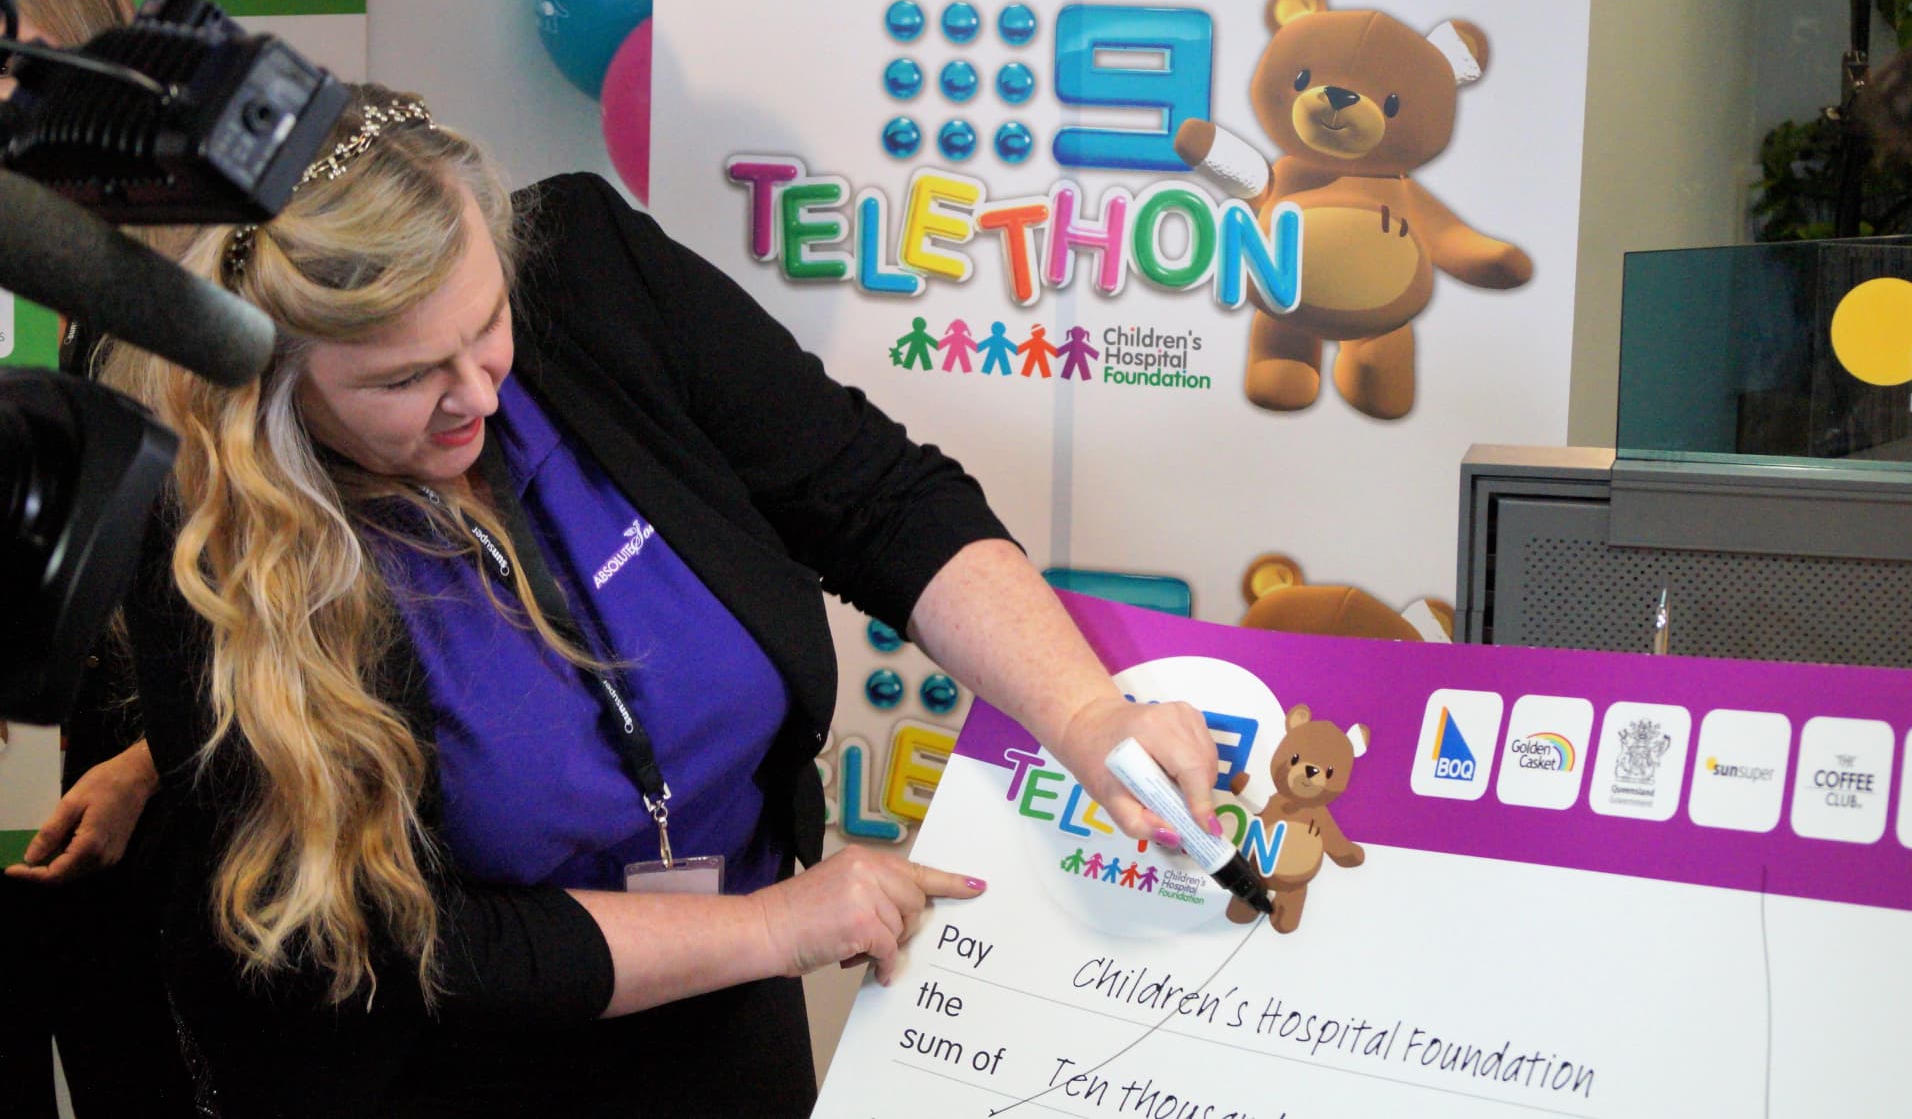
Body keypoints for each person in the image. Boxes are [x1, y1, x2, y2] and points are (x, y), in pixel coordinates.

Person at [106, 84, 1224, 1116]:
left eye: (485, 324)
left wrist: (1087, 715)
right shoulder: (204, 533)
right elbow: (399, 946)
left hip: (726, 1019)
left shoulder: (589, 273)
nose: (477, 394)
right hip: (450, 1070)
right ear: (269, 378)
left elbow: (874, 497)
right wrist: (768, 928)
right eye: (403, 379)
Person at [0, 0, 193, 1119]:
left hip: (185, 803)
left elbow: (309, 600)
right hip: (79, 793)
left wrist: (145, 769)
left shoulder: (195, 297)